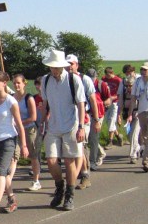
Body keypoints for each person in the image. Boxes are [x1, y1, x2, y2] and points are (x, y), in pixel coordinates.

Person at [41, 50, 86, 211]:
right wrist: (42, 122)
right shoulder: (46, 81)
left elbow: (81, 104)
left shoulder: (74, 80)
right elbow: (45, 104)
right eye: (52, 67)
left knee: (69, 161)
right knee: (51, 161)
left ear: (63, 66)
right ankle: (59, 186)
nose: (54, 70)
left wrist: (81, 127)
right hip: (53, 126)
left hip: (71, 126)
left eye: (57, 67)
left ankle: (70, 194)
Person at [0, 71, 29, 219]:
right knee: (2, 174)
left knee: (0, 173)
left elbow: (20, 125)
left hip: (8, 140)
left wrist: (24, 145)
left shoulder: (10, 101)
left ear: (4, 83)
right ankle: (12, 199)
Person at [65, 55, 101, 190]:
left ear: (77, 65)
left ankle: (82, 176)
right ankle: (79, 173)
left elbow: (93, 100)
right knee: (73, 149)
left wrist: (96, 120)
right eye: (67, 64)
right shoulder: (63, 79)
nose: (69, 66)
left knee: (81, 146)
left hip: (83, 118)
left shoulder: (84, 79)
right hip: (67, 118)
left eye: (72, 64)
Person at [12, 74, 41, 191]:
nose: (16, 85)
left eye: (18, 82)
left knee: (33, 156)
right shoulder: (12, 98)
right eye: (14, 83)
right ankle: (8, 180)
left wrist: (19, 123)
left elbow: (33, 117)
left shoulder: (29, 98)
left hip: (29, 130)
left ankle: (36, 181)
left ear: (24, 83)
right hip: (16, 131)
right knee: (14, 155)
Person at [117, 65, 142, 164]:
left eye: (129, 72)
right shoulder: (123, 82)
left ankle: (133, 155)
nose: (128, 74)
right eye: (126, 73)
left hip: (138, 111)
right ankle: (139, 148)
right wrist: (119, 113)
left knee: (134, 134)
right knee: (129, 134)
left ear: (133, 71)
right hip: (126, 112)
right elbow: (120, 98)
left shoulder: (140, 80)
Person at [101, 66, 122, 146]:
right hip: (107, 103)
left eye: (108, 75)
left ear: (112, 73)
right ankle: (118, 135)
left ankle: (110, 141)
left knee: (111, 120)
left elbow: (120, 94)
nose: (107, 77)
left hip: (115, 103)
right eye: (106, 75)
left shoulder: (118, 80)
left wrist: (113, 97)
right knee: (107, 120)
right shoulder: (103, 79)